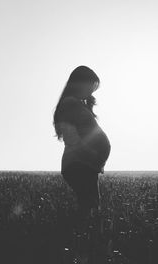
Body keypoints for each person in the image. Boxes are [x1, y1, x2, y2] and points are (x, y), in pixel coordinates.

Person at [52, 65, 111, 222]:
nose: (91, 91)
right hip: (80, 164)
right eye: (90, 85)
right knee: (88, 209)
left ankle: (81, 239)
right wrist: (93, 156)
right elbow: (72, 139)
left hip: (85, 164)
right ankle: (78, 241)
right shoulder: (69, 104)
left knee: (90, 207)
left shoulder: (76, 104)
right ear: (79, 83)